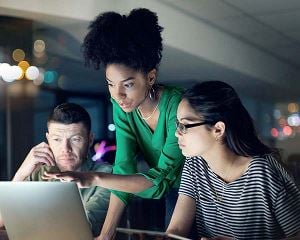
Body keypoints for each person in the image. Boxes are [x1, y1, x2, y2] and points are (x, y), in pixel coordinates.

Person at [43, 8, 185, 240]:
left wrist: (95, 178)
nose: (118, 95)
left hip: (203, 190)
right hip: (172, 192)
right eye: (111, 84)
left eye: (127, 84)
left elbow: (160, 182)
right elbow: (123, 168)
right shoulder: (123, 107)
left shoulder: (177, 105)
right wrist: (106, 235)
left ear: (150, 77)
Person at [166, 81, 300, 240]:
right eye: (177, 124)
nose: (177, 133)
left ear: (218, 129)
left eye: (185, 126)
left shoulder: (263, 172)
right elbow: (177, 229)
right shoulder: (194, 164)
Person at [0, 103, 112, 238]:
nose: (66, 148)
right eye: (57, 139)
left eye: (75, 139)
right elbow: (2, 221)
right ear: (48, 140)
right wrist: (21, 173)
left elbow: (81, 230)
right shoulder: (39, 172)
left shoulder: (106, 175)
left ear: (89, 140)